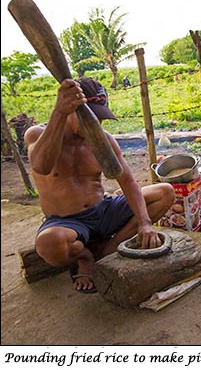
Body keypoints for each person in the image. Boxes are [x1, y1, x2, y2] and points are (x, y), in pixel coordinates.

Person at [24, 77, 175, 293]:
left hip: (103, 211)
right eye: (91, 118)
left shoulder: (103, 139)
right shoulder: (38, 134)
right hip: (67, 222)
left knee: (165, 192)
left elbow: (128, 181)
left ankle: (107, 250)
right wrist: (59, 113)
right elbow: (41, 165)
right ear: (71, 109)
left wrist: (144, 222)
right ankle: (84, 256)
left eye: (100, 119)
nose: (98, 125)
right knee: (49, 244)